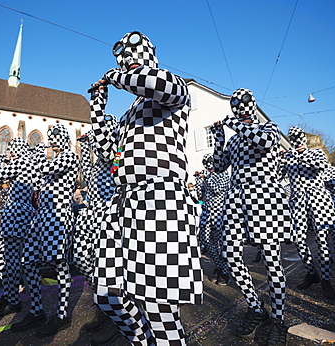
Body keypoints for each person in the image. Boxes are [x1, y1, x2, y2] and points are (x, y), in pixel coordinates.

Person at [89, 31, 203, 345]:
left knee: (158, 305)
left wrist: (115, 76)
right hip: (123, 201)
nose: (124, 57)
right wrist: (97, 108)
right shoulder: (128, 115)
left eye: (131, 51)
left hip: (160, 199)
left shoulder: (173, 91)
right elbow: (108, 154)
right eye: (119, 54)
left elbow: (156, 82)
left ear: (149, 54)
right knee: (107, 294)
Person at [211, 88, 293, 345]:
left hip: (265, 199)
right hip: (236, 199)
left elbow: (265, 143)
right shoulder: (235, 139)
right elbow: (218, 166)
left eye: (245, 106)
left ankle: (279, 320)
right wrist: (218, 138)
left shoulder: (269, 128)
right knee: (231, 255)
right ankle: (257, 309)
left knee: (271, 260)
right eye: (236, 107)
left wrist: (233, 123)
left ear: (253, 106)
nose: (241, 111)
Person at [11, 124, 79, 337]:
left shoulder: (69, 156)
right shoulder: (53, 159)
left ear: (65, 138)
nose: (54, 139)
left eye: (57, 136)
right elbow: (39, 179)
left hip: (58, 216)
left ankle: (62, 315)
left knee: (58, 263)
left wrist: (38, 152)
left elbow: (46, 169)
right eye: (52, 136)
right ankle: (36, 310)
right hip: (41, 216)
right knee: (28, 261)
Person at [279, 126, 335, 299]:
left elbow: (321, 166)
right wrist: (277, 161)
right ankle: (312, 273)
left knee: (322, 240)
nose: (295, 140)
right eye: (292, 137)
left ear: (303, 138)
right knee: (297, 238)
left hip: (317, 199)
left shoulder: (315, 153)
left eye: (298, 137)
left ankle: (326, 281)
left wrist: (296, 158)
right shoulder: (288, 157)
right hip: (297, 201)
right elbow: (277, 176)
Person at [72, 129, 117, 339]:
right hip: (90, 215)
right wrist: (85, 146)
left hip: (110, 217)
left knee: (111, 268)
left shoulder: (117, 157)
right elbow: (87, 175)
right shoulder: (96, 162)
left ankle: (117, 317)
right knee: (81, 259)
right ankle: (103, 302)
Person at [0, 138, 38, 318]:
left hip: (16, 213)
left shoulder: (22, 161)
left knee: (11, 258)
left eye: (11, 151)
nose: (9, 154)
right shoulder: (29, 163)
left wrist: (0, 160)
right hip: (17, 212)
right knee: (2, 254)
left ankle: (13, 300)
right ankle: (9, 295)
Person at [194, 153, 231, 286]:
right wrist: (198, 180)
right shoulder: (207, 177)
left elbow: (217, 190)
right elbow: (200, 196)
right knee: (207, 243)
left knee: (222, 245)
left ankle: (224, 272)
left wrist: (207, 177)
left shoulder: (224, 175)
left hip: (220, 214)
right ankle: (220, 266)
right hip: (206, 214)